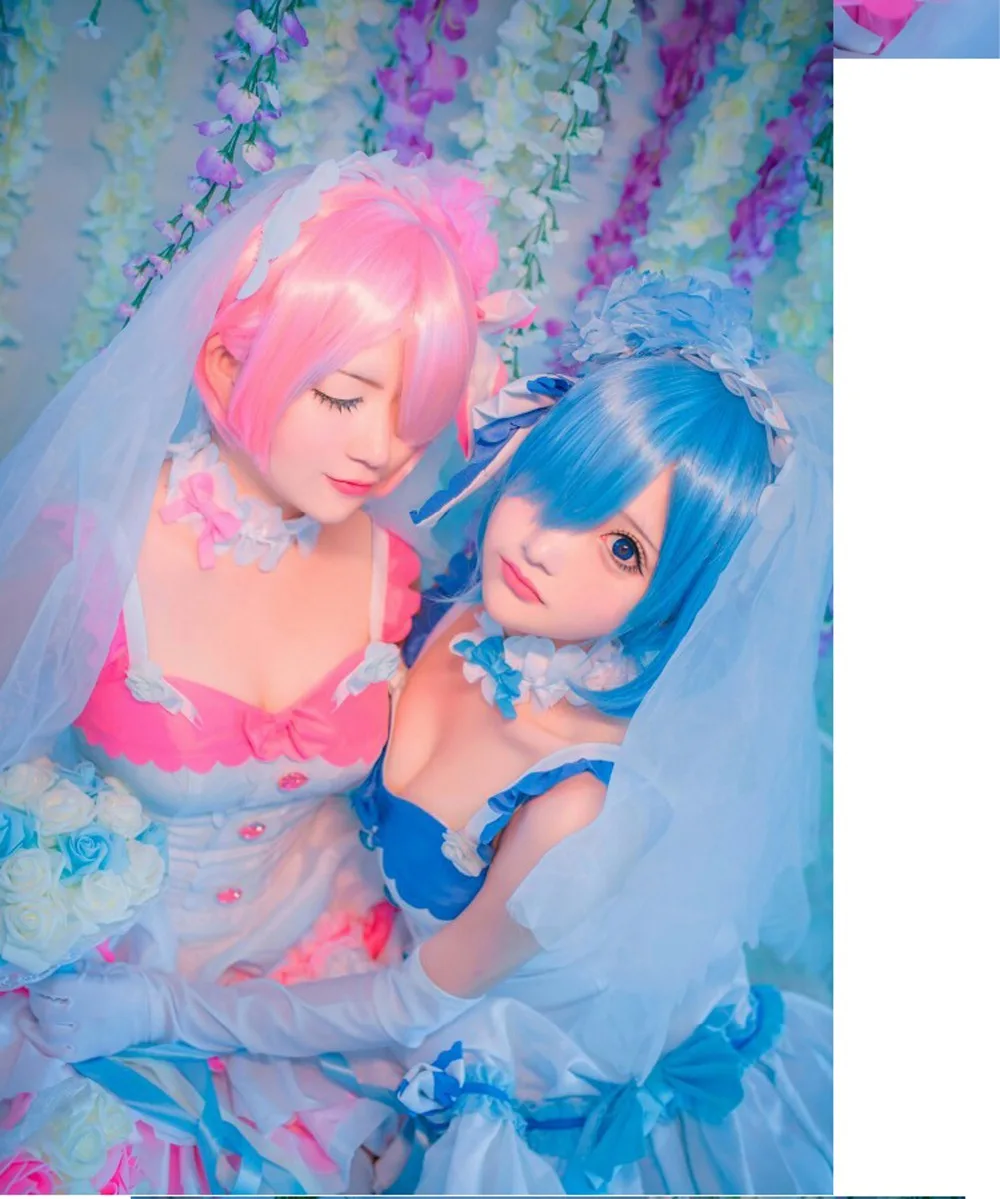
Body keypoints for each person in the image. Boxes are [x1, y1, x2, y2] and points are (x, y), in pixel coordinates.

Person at [25, 272, 834, 1195]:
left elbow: (416, 1004)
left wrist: (166, 1006)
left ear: (679, 597)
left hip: (537, 1058)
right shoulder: (476, 604)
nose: (544, 545)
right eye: (559, 480)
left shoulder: (579, 804)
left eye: (623, 549)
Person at [0, 151, 531, 1194]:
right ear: (223, 363)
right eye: (343, 395)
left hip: (315, 974)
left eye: (415, 412)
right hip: (95, 975)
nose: (382, 449)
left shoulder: (393, 572)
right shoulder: (90, 553)